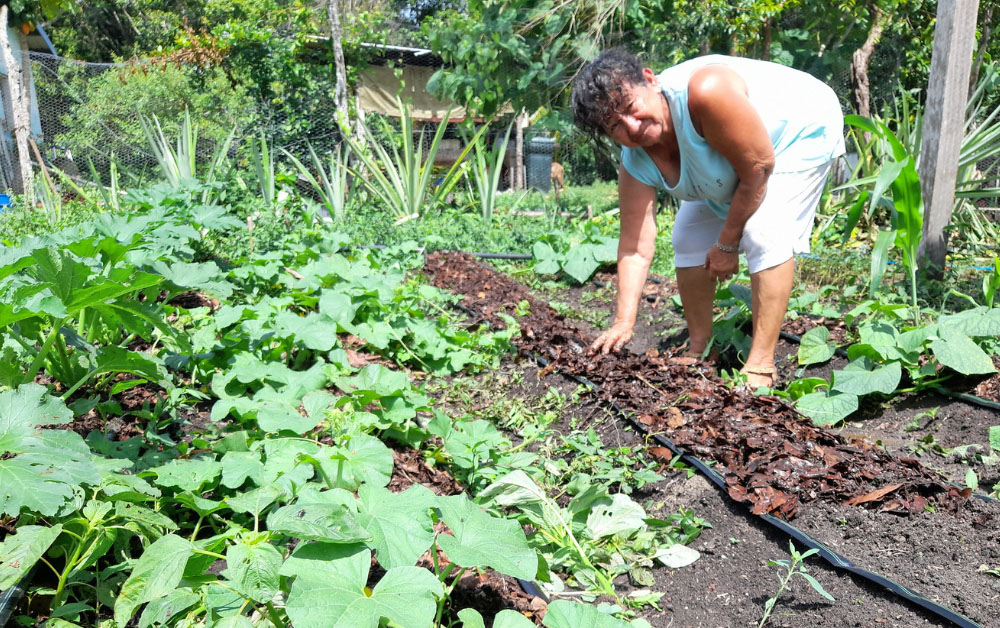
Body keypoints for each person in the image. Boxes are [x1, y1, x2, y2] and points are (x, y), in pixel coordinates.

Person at [571, 49, 845, 389]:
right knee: (687, 237)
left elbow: (758, 168)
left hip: (796, 131)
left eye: (630, 108)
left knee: (763, 232)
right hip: (739, 158)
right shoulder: (636, 162)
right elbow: (634, 248)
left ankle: (761, 365)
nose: (632, 127)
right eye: (616, 126)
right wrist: (624, 322)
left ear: (651, 80)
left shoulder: (705, 91)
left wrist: (727, 243)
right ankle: (702, 346)